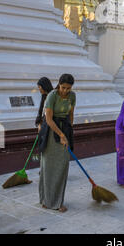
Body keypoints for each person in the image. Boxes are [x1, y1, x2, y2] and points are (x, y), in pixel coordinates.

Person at [38, 74, 76, 212]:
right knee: (48, 168)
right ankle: (46, 200)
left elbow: (71, 114)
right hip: (51, 132)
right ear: (59, 84)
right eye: (63, 87)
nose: (65, 90)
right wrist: (60, 134)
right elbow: (48, 119)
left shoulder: (72, 96)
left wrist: (68, 131)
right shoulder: (52, 95)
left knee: (62, 167)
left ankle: (58, 200)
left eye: (68, 88)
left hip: (64, 130)